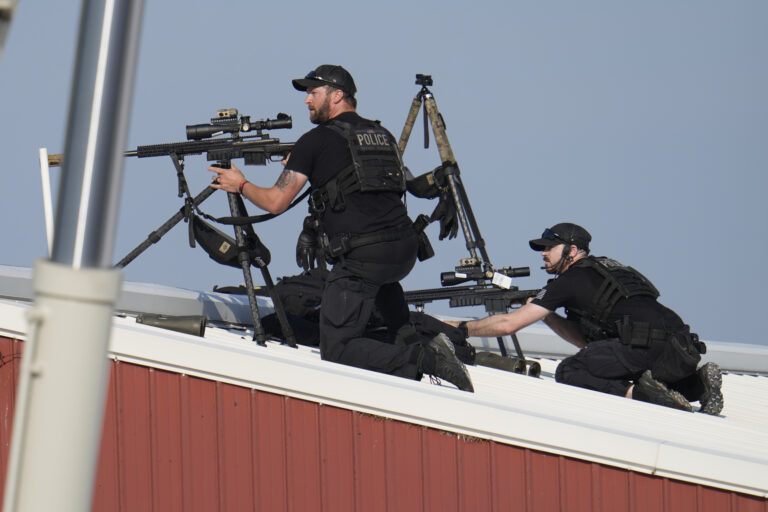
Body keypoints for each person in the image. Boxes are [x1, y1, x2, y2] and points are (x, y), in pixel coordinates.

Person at [207, 64, 473, 392]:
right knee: (390, 309)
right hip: (402, 250)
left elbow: (276, 201)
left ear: (336, 96)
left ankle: (427, 358)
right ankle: (417, 346)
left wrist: (240, 184)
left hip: (363, 256)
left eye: (313, 93)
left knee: (337, 349)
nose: (306, 100)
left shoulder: (315, 141)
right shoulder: (382, 134)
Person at [450, 222, 723, 413]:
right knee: (636, 369)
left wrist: (460, 328)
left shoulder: (569, 279)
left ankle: (643, 394)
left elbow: (508, 325)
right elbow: (586, 342)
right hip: (681, 347)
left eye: (550, 247)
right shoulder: (610, 269)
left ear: (571, 251)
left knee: (570, 371)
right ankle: (697, 385)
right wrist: (547, 316)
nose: (543, 254)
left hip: (641, 345)